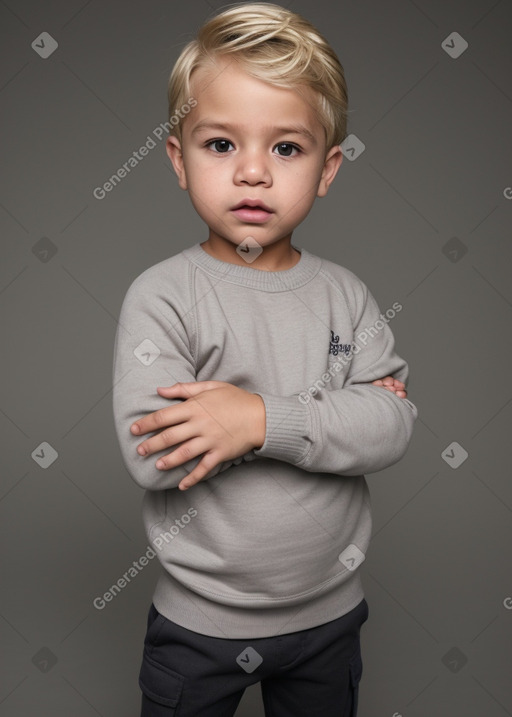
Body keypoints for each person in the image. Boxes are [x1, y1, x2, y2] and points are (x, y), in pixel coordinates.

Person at [112, 4, 418, 715]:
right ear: (178, 159)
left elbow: (393, 424)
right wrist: (337, 416)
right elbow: (155, 453)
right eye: (220, 144)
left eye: (286, 148)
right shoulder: (165, 295)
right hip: (199, 622)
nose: (253, 172)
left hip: (329, 617)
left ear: (328, 168)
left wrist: (255, 419)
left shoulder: (347, 295)